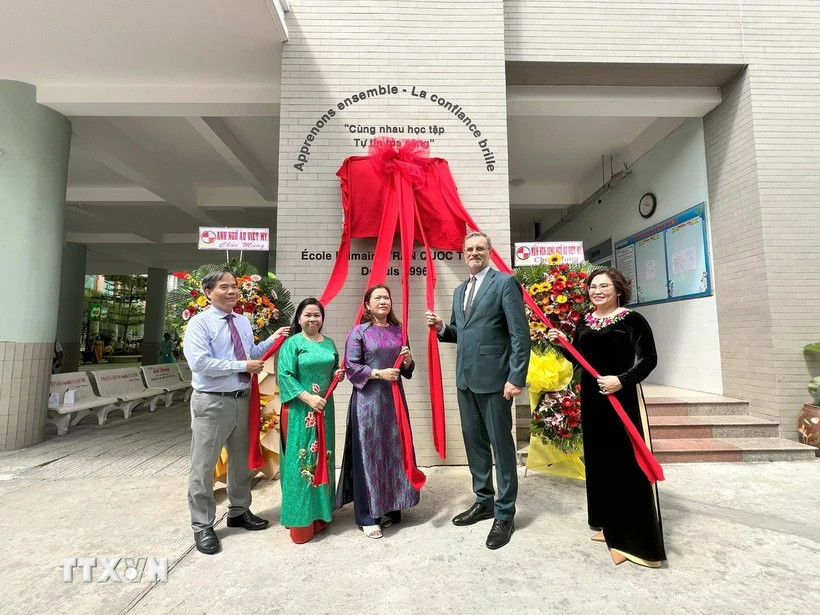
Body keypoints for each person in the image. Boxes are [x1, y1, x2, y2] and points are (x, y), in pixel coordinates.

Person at [547, 267, 666, 568]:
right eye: (593, 287)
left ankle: (633, 541)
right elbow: (580, 360)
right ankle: (608, 524)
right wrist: (563, 345)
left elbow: (649, 359)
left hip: (620, 399)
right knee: (599, 462)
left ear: (618, 289)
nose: (596, 291)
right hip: (592, 401)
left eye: (604, 286)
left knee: (625, 464)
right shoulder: (585, 320)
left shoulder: (632, 320)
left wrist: (622, 380)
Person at [426, 231, 530, 550]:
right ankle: (484, 501)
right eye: (469, 249)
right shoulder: (460, 291)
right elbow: (463, 332)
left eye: (479, 248)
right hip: (466, 379)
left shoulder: (504, 283)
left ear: (489, 251)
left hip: (497, 380)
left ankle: (505, 512)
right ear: (463, 253)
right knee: (476, 445)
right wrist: (444, 328)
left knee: (501, 445)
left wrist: (516, 376)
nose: (474, 253)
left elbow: (519, 335)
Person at [183, 269, 289, 555]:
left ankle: (239, 510)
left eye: (234, 287)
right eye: (224, 287)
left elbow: (251, 352)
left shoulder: (242, 321)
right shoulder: (199, 324)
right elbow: (200, 363)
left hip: (243, 399)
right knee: (203, 465)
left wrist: (273, 340)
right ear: (208, 292)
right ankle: (202, 524)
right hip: (212, 401)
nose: (232, 291)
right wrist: (242, 367)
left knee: (241, 462)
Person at [336, 284, 420, 539]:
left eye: (386, 297)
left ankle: (392, 506)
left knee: (394, 451)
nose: (383, 301)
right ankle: (367, 515)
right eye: (377, 298)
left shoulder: (399, 331)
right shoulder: (359, 332)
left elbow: (407, 369)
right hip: (368, 402)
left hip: (393, 401)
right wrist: (378, 373)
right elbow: (351, 367)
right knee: (369, 455)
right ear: (367, 305)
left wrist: (407, 362)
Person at [277, 298, 344, 544]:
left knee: (323, 456)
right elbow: (284, 375)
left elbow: (333, 367)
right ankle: (301, 522)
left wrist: (336, 373)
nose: (312, 319)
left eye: (317, 315)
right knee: (300, 459)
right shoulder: (292, 344)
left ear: (322, 319)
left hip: (324, 410)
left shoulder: (329, 343)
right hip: (300, 411)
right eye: (307, 315)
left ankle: (321, 515)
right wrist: (308, 398)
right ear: (298, 319)